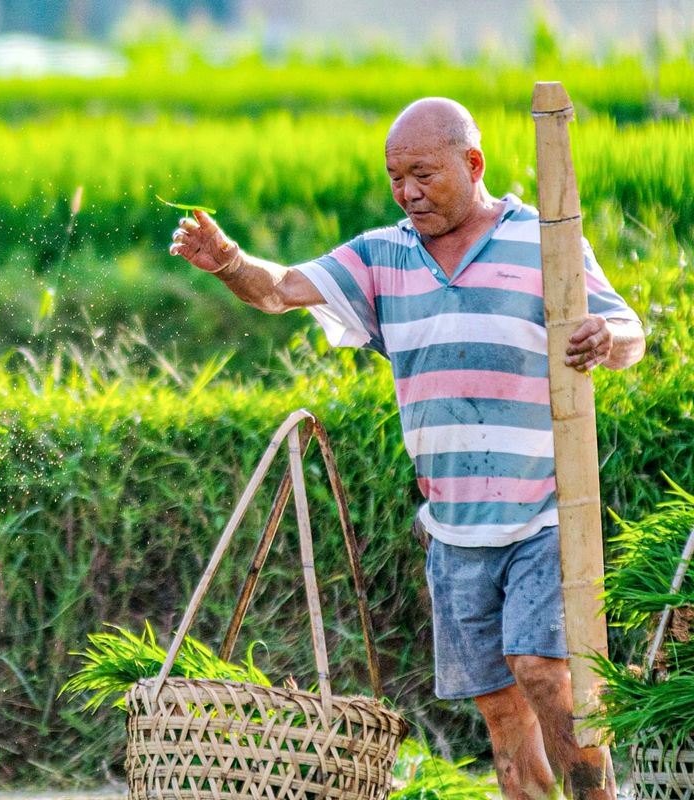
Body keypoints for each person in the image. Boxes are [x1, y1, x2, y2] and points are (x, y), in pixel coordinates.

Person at [168, 97, 645, 800]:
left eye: (423, 173)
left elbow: (627, 329)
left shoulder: (544, 241)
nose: (408, 191)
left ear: (472, 163)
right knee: (502, 716)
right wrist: (229, 261)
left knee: (540, 668)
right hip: (452, 530)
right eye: (396, 177)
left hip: (544, 513)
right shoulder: (380, 256)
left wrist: (605, 342)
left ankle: (596, 793)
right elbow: (278, 291)